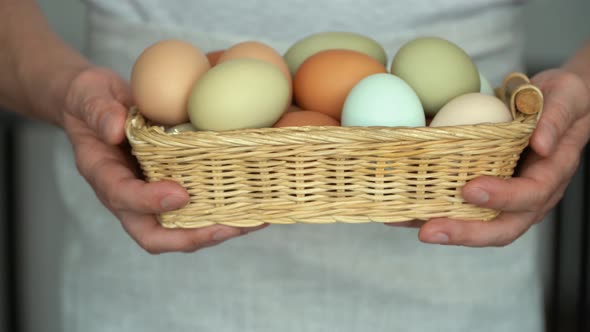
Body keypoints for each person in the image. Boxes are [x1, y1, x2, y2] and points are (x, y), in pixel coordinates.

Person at [2, 0, 589, 331]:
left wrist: (578, 94)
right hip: (155, 202)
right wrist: (64, 89)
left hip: (459, 210)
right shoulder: (202, 88)